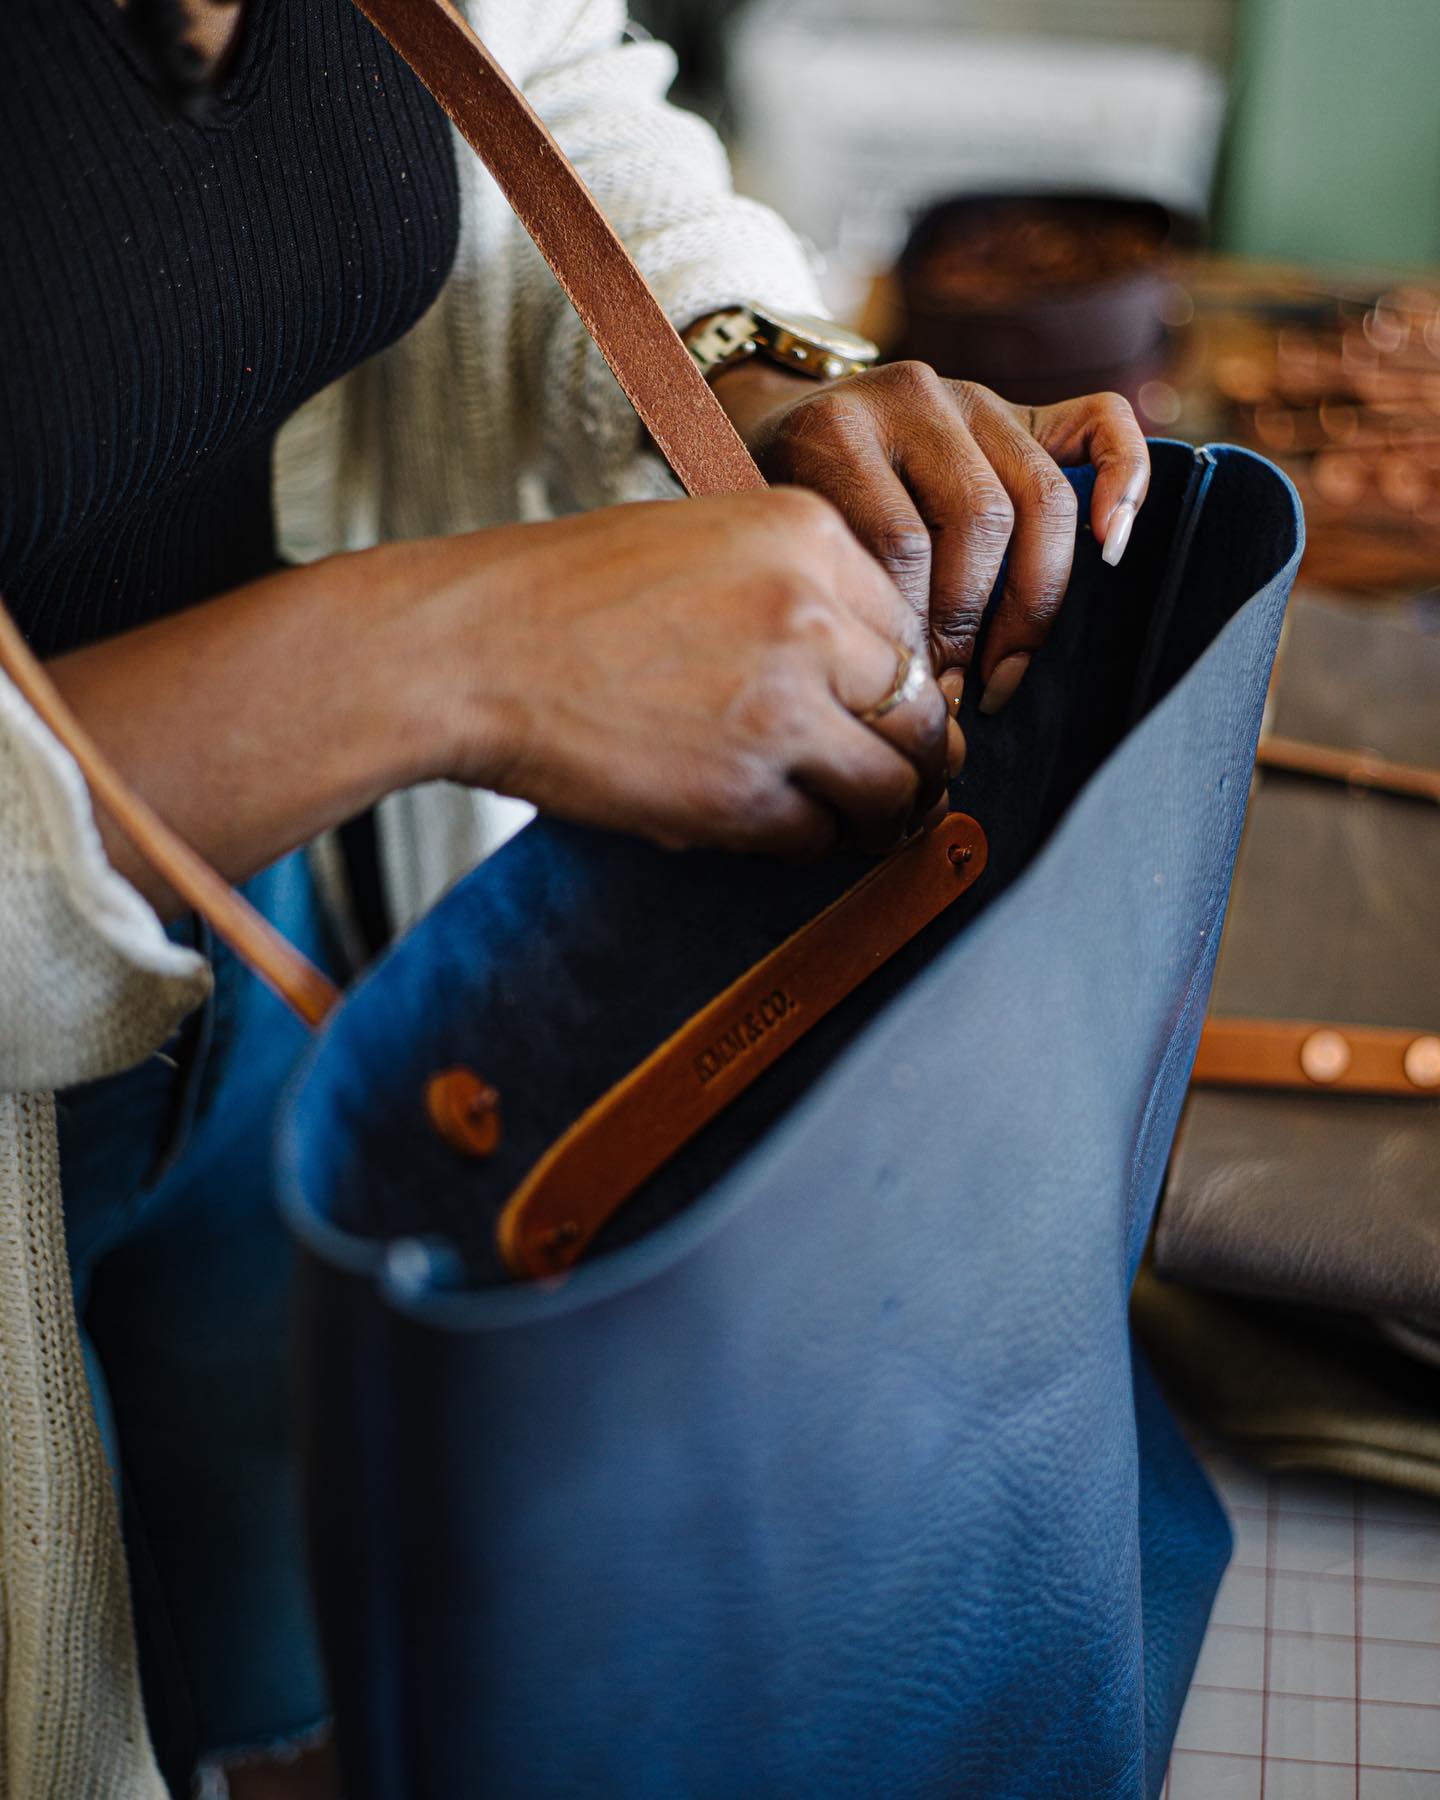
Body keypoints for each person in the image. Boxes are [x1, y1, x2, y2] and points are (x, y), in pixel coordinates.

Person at [0, 0, 1150, 1792]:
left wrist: (752, 376)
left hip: (275, 964)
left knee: (294, 1679)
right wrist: (454, 653)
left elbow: (531, 68)